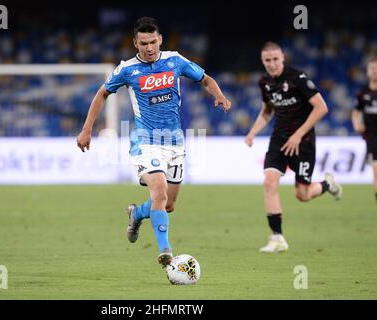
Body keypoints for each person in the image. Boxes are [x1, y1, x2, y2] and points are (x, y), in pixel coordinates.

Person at [77, 17, 231, 267]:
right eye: (143, 43)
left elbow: (205, 79)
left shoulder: (175, 61)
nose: (149, 48)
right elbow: (101, 94)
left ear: (160, 40)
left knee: (167, 204)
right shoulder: (127, 70)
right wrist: (87, 129)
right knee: (158, 190)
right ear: (135, 43)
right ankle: (166, 251)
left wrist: (220, 95)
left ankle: (136, 213)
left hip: (175, 142)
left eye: (153, 42)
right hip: (145, 140)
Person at [245, 41, 342, 253]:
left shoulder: (297, 78)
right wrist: (253, 132)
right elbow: (267, 111)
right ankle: (277, 237)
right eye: (267, 60)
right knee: (270, 182)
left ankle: (327, 184)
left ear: (282, 59)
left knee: (303, 195)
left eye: (275, 59)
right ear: (263, 62)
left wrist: (298, 135)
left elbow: (321, 107)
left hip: (303, 142)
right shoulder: (264, 83)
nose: (271, 64)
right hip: (279, 139)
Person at [351, 57, 377, 201]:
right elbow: (355, 112)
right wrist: (357, 124)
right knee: (376, 170)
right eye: (372, 69)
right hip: (372, 137)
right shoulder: (363, 93)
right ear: (367, 72)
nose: (374, 71)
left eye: (376, 68)